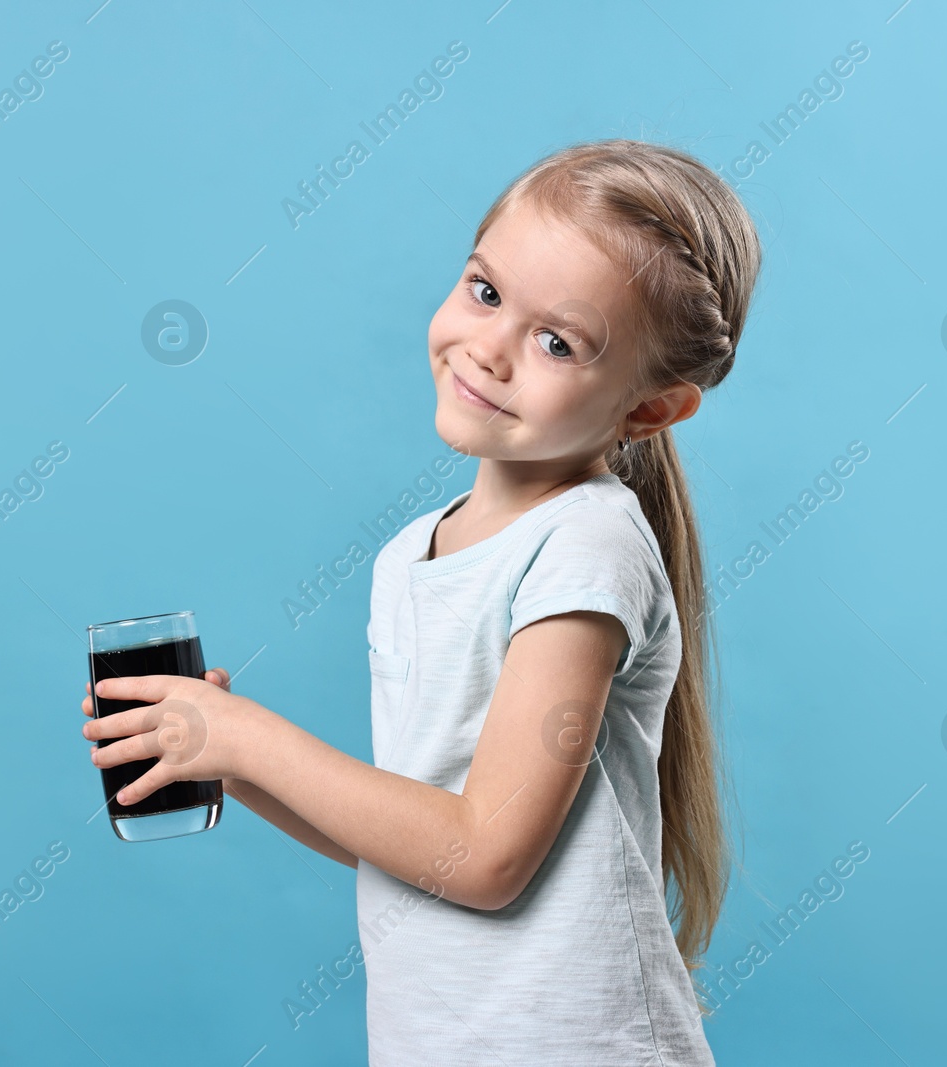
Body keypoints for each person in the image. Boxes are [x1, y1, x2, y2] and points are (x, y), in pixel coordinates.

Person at [81, 137, 761, 1064]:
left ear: (647, 410)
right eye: (485, 292)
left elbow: (483, 855)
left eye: (555, 341)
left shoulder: (584, 547)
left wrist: (253, 740)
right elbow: (416, 846)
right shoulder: (412, 554)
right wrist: (233, 760)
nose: (488, 349)